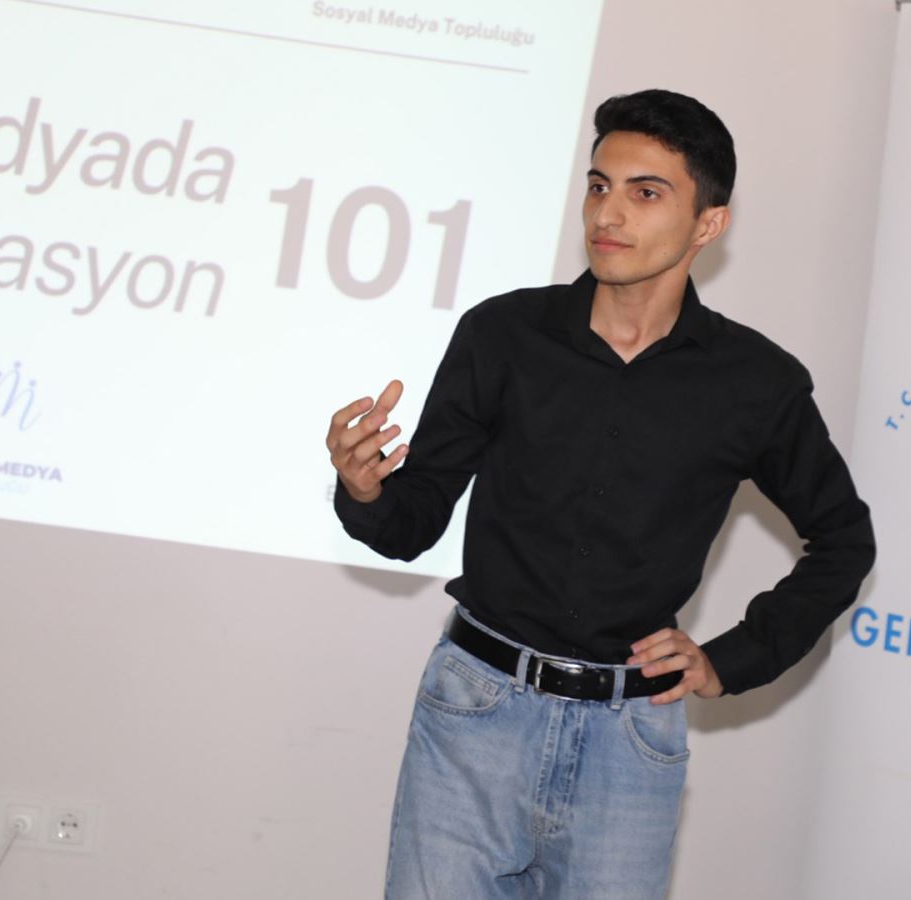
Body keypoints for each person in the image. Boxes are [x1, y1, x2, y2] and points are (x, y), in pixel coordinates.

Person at [326, 88, 876, 899]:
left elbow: (844, 541)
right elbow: (412, 523)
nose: (607, 213)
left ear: (708, 224)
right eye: (598, 185)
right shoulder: (502, 335)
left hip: (630, 744)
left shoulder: (756, 383)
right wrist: (365, 488)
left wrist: (729, 660)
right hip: (475, 713)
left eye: (645, 192)